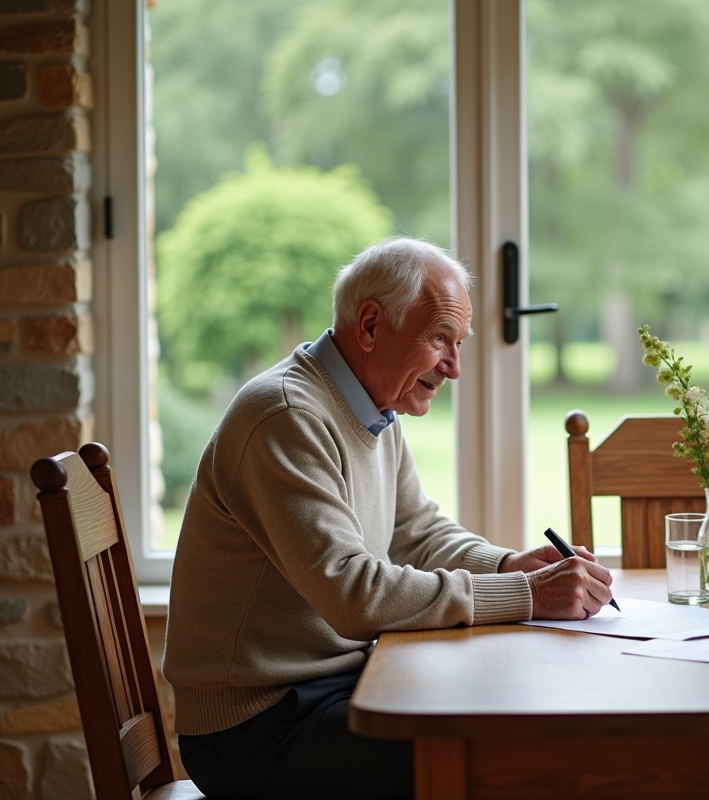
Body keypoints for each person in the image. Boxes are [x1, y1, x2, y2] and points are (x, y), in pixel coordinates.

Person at [163, 237, 613, 800]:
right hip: (255, 726)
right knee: (491, 755)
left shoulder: (374, 408)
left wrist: (508, 565)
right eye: (440, 339)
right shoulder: (285, 415)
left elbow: (416, 531)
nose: (454, 367)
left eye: (459, 343)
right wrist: (526, 594)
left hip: (328, 685)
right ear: (371, 326)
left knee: (499, 714)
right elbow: (354, 595)